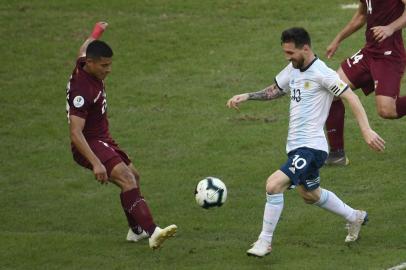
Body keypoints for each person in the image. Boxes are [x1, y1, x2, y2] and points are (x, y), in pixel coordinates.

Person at [226, 27, 385, 257]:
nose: (287, 57)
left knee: (273, 185)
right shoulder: (293, 69)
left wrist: (366, 130)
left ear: (306, 48)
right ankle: (355, 216)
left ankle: (264, 241)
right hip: (296, 148)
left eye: (291, 53)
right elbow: (275, 90)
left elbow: (350, 96)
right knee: (310, 194)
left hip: (312, 148)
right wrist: (248, 96)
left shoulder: (322, 73)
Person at [65, 22, 177, 249]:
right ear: (91, 64)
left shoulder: (84, 62)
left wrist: (97, 31)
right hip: (89, 143)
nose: (109, 70)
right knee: (127, 178)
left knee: (134, 177)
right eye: (104, 65)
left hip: (103, 139)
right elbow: (76, 133)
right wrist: (97, 164)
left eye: (110, 64)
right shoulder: (82, 90)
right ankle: (152, 231)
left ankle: (135, 231)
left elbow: (83, 48)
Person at [325, 0, 406, 165]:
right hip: (369, 53)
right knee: (331, 90)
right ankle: (337, 154)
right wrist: (338, 39)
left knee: (387, 111)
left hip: (389, 56)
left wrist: (390, 28)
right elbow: (361, 15)